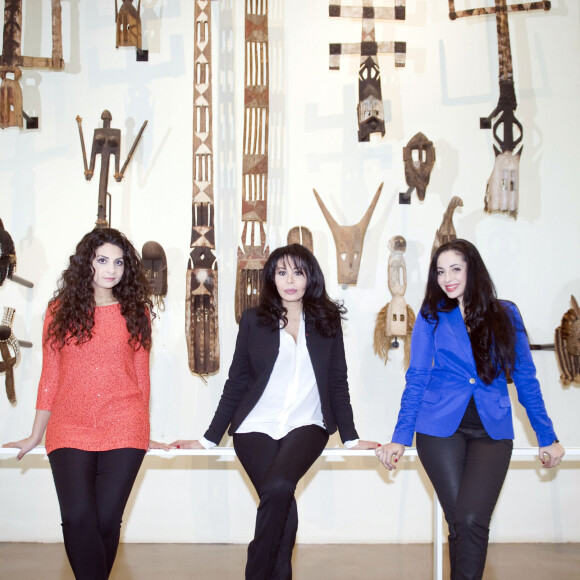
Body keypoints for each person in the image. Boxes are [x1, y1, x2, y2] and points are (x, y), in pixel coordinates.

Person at [172, 243, 378, 580]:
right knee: (280, 497)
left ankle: (255, 572)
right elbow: (237, 382)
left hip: (307, 423)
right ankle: (280, 571)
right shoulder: (254, 320)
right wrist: (209, 439)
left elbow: (338, 382)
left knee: (280, 487)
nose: (290, 280)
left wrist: (351, 439)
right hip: (255, 425)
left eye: (298, 271)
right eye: (282, 272)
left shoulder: (326, 322)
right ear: (272, 278)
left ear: (310, 276)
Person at [375, 239, 564, 580]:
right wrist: (399, 438)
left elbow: (526, 379)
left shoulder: (507, 313)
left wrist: (547, 436)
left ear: (472, 269)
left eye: (456, 269)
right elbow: (417, 377)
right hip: (438, 428)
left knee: (472, 518)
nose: (447, 277)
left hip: (492, 429)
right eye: (441, 271)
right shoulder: (432, 316)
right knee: (460, 520)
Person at [3, 227, 168, 580]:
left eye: (119, 262)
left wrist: (144, 429)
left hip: (125, 424)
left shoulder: (136, 311)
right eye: (102, 260)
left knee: (107, 520)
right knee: (78, 518)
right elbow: (50, 376)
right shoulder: (58, 311)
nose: (111, 270)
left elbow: (142, 377)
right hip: (69, 425)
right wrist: (36, 434)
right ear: (86, 263)